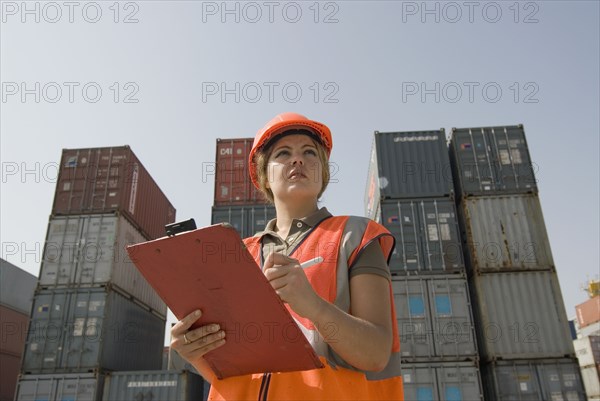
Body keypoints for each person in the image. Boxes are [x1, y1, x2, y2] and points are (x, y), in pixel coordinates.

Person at [171, 112, 404, 400]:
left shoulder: (356, 235)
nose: (298, 160)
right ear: (262, 176)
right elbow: (231, 374)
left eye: (309, 152)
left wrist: (314, 307)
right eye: (283, 153)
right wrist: (195, 353)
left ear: (324, 172)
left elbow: (376, 353)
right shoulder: (236, 254)